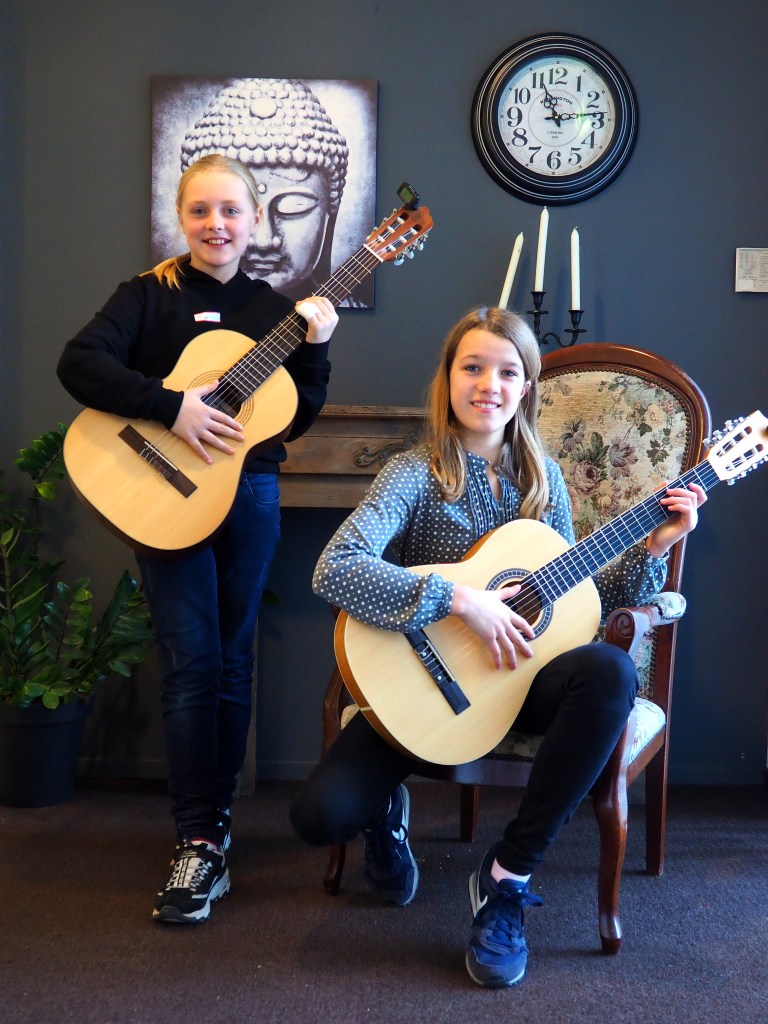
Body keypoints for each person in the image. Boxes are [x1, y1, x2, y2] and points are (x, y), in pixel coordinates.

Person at [289, 306, 705, 988]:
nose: (489, 384)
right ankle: (386, 814)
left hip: (519, 685)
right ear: (448, 379)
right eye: (473, 367)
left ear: (526, 387)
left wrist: (654, 546)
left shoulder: (543, 481)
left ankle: (507, 875)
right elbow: (334, 569)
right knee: (317, 818)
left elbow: (582, 598)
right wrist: (461, 601)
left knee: (608, 670)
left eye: (508, 372)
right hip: (424, 686)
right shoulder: (412, 473)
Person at [57, 152, 339, 924]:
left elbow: (293, 417)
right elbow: (79, 364)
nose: (216, 224)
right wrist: (170, 406)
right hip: (164, 495)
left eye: (230, 211)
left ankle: (217, 826)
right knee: (191, 664)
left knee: (233, 660)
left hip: (247, 494)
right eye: (200, 211)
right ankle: (196, 838)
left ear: (254, 219)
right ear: (180, 218)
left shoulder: (276, 311)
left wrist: (317, 346)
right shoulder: (146, 295)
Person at [174, 78, 354, 302]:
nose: (263, 241)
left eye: (293, 207)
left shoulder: (316, 316)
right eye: (232, 211)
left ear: (330, 211)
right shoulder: (160, 302)